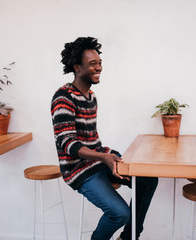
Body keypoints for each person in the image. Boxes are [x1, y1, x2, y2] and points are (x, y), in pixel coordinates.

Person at [51, 36, 158, 240]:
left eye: (100, 63)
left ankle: (129, 237)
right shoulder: (63, 97)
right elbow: (68, 144)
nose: (99, 67)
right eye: (93, 64)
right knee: (120, 213)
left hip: (96, 161)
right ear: (77, 67)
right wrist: (104, 158)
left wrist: (107, 155)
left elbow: (92, 139)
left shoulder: (91, 98)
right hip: (77, 169)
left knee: (148, 179)